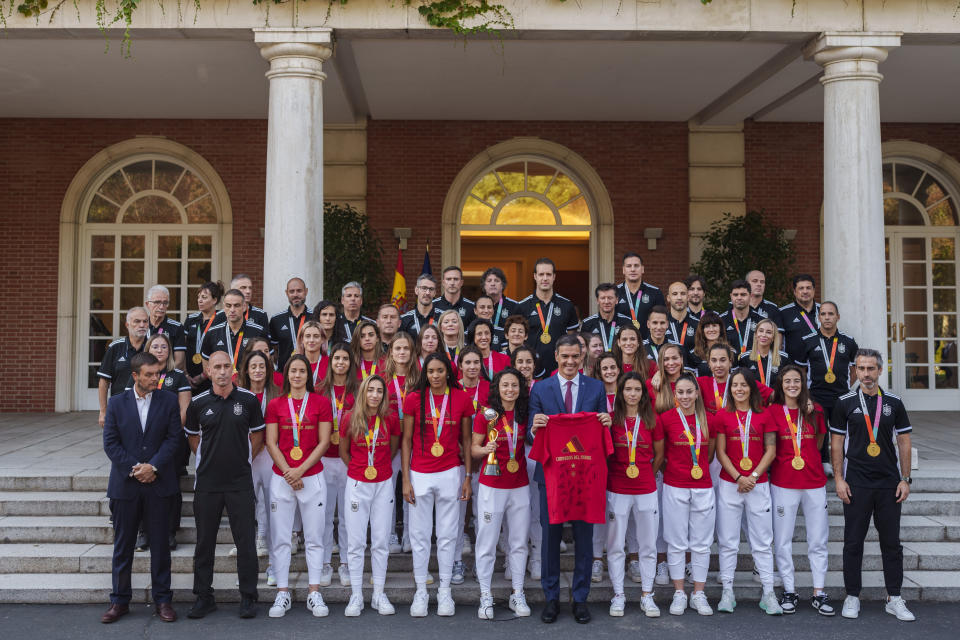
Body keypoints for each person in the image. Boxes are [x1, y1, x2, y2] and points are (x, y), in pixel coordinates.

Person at [529, 334, 612, 624]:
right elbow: (531, 428)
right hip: (551, 475)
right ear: (556, 357)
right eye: (565, 356)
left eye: (575, 356)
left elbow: (603, 430)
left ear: (583, 356)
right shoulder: (541, 389)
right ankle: (551, 598)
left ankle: (580, 598)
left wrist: (605, 422)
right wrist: (536, 426)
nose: (570, 361)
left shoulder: (596, 387)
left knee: (584, 540)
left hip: (585, 477)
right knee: (550, 539)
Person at [831, 349, 916, 622]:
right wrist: (838, 479)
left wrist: (905, 478)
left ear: (880, 371)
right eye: (861, 368)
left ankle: (894, 597)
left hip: (888, 484)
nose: (866, 374)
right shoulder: (844, 402)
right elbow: (836, 444)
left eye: (871, 368)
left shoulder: (894, 402)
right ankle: (852, 596)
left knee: (892, 544)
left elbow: (904, 440)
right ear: (854, 371)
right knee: (853, 543)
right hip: (856, 483)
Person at [100, 352, 182, 624]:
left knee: (160, 546)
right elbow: (111, 443)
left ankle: (163, 601)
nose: (155, 378)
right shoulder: (116, 403)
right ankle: (119, 601)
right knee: (123, 546)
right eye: (149, 374)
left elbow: (174, 440)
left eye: (157, 373)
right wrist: (136, 468)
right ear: (135, 375)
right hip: (126, 485)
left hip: (158, 484)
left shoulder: (169, 401)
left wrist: (153, 467)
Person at [184, 350, 265, 619]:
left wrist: (243, 458)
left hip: (240, 481)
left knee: (246, 542)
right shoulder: (197, 403)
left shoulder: (249, 400)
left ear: (233, 370)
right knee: (204, 542)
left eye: (226, 366)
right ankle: (204, 597)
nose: (221, 371)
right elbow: (194, 440)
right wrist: (209, 459)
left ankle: (248, 597)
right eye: (216, 367)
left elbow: (258, 436)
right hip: (208, 483)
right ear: (207, 371)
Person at [401, 352, 474, 617]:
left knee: (447, 535)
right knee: (419, 536)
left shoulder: (462, 398)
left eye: (440, 371)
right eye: (430, 371)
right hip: (419, 473)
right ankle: (421, 590)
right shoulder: (413, 399)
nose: (435, 376)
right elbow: (406, 441)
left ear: (448, 372)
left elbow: (466, 441)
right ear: (425, 373)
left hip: (450, 473)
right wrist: (406, 479)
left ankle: (444, 590)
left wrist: (467, 477)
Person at [263, 355, 333, 619]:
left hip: (311, 477)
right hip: (281, 478)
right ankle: (283, 592)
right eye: (293, 370)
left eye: (302, 371)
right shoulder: (276, 404)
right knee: (281, 538)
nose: (297, 375)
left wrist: (300, 471)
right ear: (286, 374)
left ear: (308, 375)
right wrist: (288, 472)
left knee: (314, 538)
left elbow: (324, 442)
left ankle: (314, 591)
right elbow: (271, 442)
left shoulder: (321, 403)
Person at [713, 369, 782, 615]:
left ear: (752, 388)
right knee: (728, 541)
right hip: (730, 484)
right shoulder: (723, 415)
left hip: (758, 484)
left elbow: (771, 450)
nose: (739, 389)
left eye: (743, 385)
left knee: (762, 541)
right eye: (735, 385)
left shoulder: (764, 415)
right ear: (730, 389)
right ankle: (727, 592)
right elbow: (720, 452)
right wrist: (738, 477)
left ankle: (769, 592)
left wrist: (751, 477)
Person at [768, 364, 832, 616]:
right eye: (787, 381)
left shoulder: (815, 411)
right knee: (783, 541)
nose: (792, 385)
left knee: (818, 540)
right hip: (784, 483)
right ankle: (789, 590)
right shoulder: (772, 411)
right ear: (781, 385)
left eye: (797, 380)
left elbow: (817, 443)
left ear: (803, 383)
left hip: (814, 481)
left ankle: (818, 592)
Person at [655, 373, 718, 616]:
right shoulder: (665, 419)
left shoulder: (708, 419)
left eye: (689, 392)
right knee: (676, 541)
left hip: (703, 486)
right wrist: (674, 471)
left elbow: (709, 455)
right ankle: (679, 592)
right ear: (674, 395)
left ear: (697, 393)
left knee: (701, 543)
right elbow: (660, 455)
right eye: (680, 392)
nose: (684, 397)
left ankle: (698, 593)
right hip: (674, 485)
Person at [122, 333, 191, 552]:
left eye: (164, 347)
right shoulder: (135, 376)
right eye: (155, 346)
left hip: (171, 442)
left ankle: (170, 532)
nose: (160, 350)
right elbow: (127, 409)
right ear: (147, 351)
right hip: (142, 442)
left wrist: (169, 434)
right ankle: (143, 532)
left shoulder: (178, 377)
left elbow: (184, 410)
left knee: (171, 487)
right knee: (142, 485)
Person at [339, 375, 401, 616]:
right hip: (357, 484)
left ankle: (378, 593)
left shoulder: (391, 419)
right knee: (355, 542)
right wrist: (358, 470)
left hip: (383, 483)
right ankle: (356, 594)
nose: (375, 395)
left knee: (381, 541)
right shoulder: (349, 418)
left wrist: (377, 467)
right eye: (371, 390)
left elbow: (393, 448)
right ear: (363, 392)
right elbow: (344, 452)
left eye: (379, 391)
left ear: (384, 395)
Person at [472, 368, 532, 619]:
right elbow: (474, 450)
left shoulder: (525, 412)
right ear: (497, 388)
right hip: (492, 484)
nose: (510, 390)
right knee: (487, 542)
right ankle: (485, 595)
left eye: (515, 385)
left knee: (518, 542)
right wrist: (486, 448)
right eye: (505, 385)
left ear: (521, 388)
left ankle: (517, 593)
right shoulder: (487, 414)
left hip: (519, 485)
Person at [605, 372, 663, 618]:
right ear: (621, 392)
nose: (632, 394)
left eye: (637, 389)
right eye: (627, 389)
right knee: (616, 545)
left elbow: (659, 454)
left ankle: (647, 595)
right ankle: (618, 594)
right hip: (617, 489)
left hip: (646, 489)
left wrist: (646, 474)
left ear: (643, 393)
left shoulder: (652, 420)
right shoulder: (611, 420)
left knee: (648, 545)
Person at [800, 301, 858, 476]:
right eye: (823, 314)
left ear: (837, 317)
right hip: (816, 395)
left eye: (831, 314)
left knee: (841, 432)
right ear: (818, 318)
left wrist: (847, 387)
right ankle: (823, 462)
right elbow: (802, 371)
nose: (827, 317)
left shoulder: (848, 342)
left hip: (841, 396)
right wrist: (806, 395)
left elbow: (854, 368)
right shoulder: (808, 341)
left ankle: (843, 464)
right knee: (819, 431)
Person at [316, 343, 358, 586]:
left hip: (348, 459)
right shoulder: (321, 389)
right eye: (336, 358)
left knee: (346, 515)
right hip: (323, 458)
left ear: (351, 362)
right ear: (330, 363)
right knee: (323, 515)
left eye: (345, 358)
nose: (340, 362)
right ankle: (323, 564)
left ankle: (345, 563)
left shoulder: (357, 389)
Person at [237, 350, 279, 570]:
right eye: (253, 366)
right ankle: (248, 541)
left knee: (270, 501)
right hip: (246, 454)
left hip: (270, 454)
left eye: (262, 366)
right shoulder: (239, 394)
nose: (258, 370)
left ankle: (266, 542)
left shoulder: (276, 393)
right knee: (245, 502)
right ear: (246, 369)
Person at [383, 332, 420, 553]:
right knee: (388, 491)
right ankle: (389, 534)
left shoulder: (419, 379)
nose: (402, 352)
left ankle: (409, 534)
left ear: (412, 352)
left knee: (411, 489)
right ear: (391, 352)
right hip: (388, 443)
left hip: (414, 442)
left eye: (406, 348)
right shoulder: (382, 379)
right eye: (398, 348)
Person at [515, 258, 579, 376]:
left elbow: (572, 339)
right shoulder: (522, 307)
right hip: (531, 371)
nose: (545, 278)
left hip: (560, 370)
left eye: (548, 274)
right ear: (535, 276)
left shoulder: (567, 305)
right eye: (541, 274)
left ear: (554, 276)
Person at [98, 307, 150, 427]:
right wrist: (103, 411)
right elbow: (104, 381)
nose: (142, 325)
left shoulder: (153, 346)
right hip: (120, 408)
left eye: (145, 321)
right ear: (127, 324)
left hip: (148, 408)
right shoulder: (115, 347)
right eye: (137, 321)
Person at [200, 288, 268, 371]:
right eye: (228, 306)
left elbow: (267, 362)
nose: (232, 310)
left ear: (244, 307)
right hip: (222, 383)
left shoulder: (259, 332)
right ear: (224, 307)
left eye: (236, 305)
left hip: (249, 383)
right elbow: (206, 366)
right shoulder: (212, 333)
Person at [184, 281, 224, 391]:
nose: (199, 300)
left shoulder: (222, 319)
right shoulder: (191, 319)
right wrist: (185, 375)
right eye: (199, 297)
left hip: (212, 377)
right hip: (189, 377)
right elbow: (183, 347)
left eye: (204, 297)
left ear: (214, 300)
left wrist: (204, 376)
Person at [615, 252, 665, 339]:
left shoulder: (655, 292)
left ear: (642, 269)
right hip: (623, 345)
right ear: (623, 270)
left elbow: (662, 319)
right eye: (629, 266)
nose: (633, 269)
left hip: (648, 345)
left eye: (636, 266)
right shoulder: (615, 292)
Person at [268, 277, 312, 370]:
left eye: (299, 291)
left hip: (311, 372)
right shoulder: (276, 320)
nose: (295, 295)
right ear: (286, 293)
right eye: (292, 291)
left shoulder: (315, 317)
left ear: (306, 291)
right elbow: (274, 348)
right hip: (283, 373)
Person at [740, 318, 792, 389]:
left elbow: (789, 383)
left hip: (776, 399)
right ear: (755, 334)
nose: (764, 335)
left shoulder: (784, 358)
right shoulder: (745, 358)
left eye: (769, 332)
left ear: (773, 337)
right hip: (753, 399)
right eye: (761, 331)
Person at [779, 274, 820, 363]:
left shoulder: (824, 311)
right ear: (794, 292)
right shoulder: (782, 313)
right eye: (801, 288)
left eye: (808, 288)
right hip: (792, 369)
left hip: (820, 367)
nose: (805, 291)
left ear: (814, 290)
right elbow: (778, 344)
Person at [581, 282, 632, 353]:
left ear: (617, 300)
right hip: (596, 364)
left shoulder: (627, 322)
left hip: (620, 363)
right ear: (597, 300)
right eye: (603, 298)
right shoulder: (587, 323)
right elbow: (583, 350)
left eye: (610, 298)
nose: (606, 301)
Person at [145, 285, 187, 370]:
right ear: (147, 304)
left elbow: (179, 361)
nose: (161, 307)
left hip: (167, 378)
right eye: (157, 302)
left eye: (165, 303)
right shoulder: (141, 326)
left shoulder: (176, 327)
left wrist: (163, 378)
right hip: (144, 376)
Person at [720, 279, 761, 358]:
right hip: (730, 367)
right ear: (731, 296)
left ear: (750, 296)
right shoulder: (721, 320)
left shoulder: (760, 320)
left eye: (743, 295)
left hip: (755, 366)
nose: (739, 298)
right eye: (735, 295)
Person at [481, 266, 518, 336]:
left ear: (502, 285)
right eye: (489, 281)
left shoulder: (514, 306)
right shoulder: (477, 306)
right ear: (484, 285)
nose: (493, 284)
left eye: (496, 281)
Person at [688, 311, 728, 376]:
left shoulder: (730, 352)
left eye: (714, 325)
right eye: (707, 326)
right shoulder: (694, 354)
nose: (711, 329)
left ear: (720, 329)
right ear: (702, 330)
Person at [400, 274, 438, 338]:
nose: (428, 292)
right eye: (424, 288)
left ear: (434, 293)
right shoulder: (404, 320)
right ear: (416, 290)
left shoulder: (443, 318)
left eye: (431, 289)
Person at [666, 281, 698, 352]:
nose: (679, 297)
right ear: (668, 298)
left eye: (683, 294)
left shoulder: (698, 324)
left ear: (688, 297)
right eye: (675, 294)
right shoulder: (661, 324)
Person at [298, 320, 329, 385]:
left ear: (322, 339)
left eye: (316, 336)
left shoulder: (330, 363)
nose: (311, 340)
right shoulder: (294, 363)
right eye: (308, 336)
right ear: (302, 339)